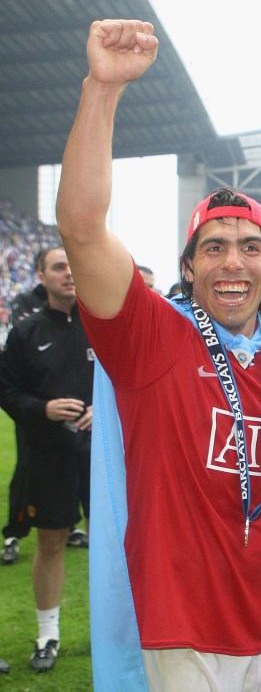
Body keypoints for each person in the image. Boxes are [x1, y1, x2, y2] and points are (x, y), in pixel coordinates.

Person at [56, 19, 261, 691]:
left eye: (249, 246)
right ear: (190, 265)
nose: (232, 261)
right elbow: (83, 228)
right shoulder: (149, 337)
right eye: (213, 246)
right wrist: (103, 89)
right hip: (182, 623)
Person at [0, 245, 95, 672]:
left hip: (101, 456)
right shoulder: (25, 333)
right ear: (42, 275)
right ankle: (47, 635)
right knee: (52, 542)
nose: (69, 274)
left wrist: (106, 413)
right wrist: (43, 409)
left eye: (74, 265)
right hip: (48, 456)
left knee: (114, 546)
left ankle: (121, 632)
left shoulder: (105, 328)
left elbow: (134, 385)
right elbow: (6, 390)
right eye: (59, 267)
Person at [2, 250, 51, 565]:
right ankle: (14, 533)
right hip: (32, 411)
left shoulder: (81, 307)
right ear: (40, 273)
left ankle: (68, 527)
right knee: (26, 470)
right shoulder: (25, 304)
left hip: (74, 416)